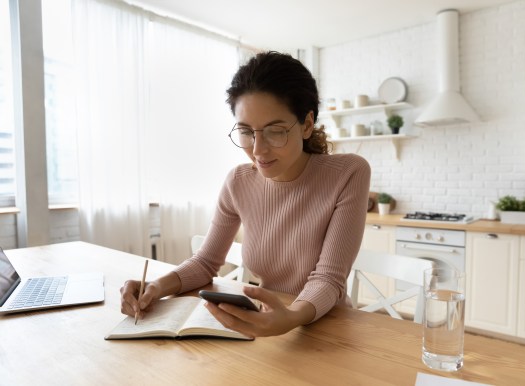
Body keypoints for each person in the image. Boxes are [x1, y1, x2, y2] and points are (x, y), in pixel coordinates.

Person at [120, 51, 371, 337]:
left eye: (275, 131)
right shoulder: (239, 181)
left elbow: (328, 278)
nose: (258, 149)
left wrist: (290, 317)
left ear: (307, 124)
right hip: (265, 325)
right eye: (246, 131)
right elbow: (205, 263)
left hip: (325, 327)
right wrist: (155, 287)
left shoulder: (348, 173)